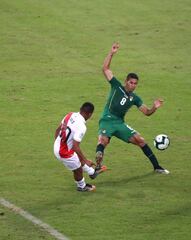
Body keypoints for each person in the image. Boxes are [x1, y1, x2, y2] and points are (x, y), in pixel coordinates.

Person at [94, 42, 169, 175]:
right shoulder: (116, 86)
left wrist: (154, 107)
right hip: (107, 119)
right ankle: (97, 166)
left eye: (135, 83)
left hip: (119, 123)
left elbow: (146, 112)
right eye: (131, 82)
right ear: (126, 81)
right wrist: (111, 53)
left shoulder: (135, 98)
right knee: (103, 142)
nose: (133, 85)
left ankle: (157, 166)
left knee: (141, 140)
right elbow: (105, 69)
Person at [53, 102, 106, 192]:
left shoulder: (70, 115)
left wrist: (57, 143)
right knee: (77, 169)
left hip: (57, 145)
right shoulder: (81, 126)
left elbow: (58, 130)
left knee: (77, 157)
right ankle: (81, 186)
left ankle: (92, 172)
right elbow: (75, 146)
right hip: (64, 152)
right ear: (89, 114)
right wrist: (85, 160)